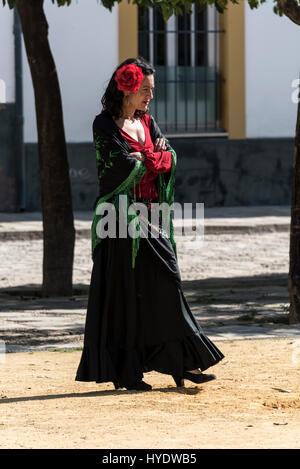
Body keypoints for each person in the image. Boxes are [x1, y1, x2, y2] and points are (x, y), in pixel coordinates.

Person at [75, 57, 224, 391]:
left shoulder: (147, 121)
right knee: (126, 295)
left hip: (152, 216)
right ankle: (128, 372)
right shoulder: (104, 125)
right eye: (145, 90)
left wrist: (148, 160)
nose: (149, 97)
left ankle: (179, 362)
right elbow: (117, 167)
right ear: (126, 90)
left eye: (151, 90)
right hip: (119, 220)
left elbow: (169, 157)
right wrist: (147, 160)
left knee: (165, 284)